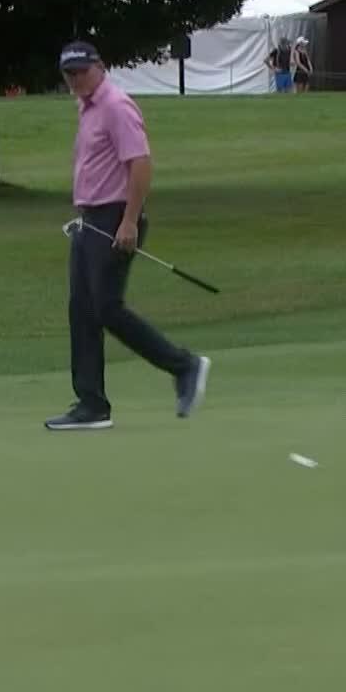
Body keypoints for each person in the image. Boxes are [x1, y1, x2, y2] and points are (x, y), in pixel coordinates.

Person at [48, 40, 211, 432]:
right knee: (82, 310)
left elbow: (140, 164)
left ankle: (185, 365)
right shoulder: (86, 107)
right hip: (90, 218)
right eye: (69, 74)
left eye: (81, 72)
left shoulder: (116, 106)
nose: (75, 80)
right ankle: (91, 404)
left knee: (106, 308)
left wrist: (129, 221)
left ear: (99, 66)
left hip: (115, 216)